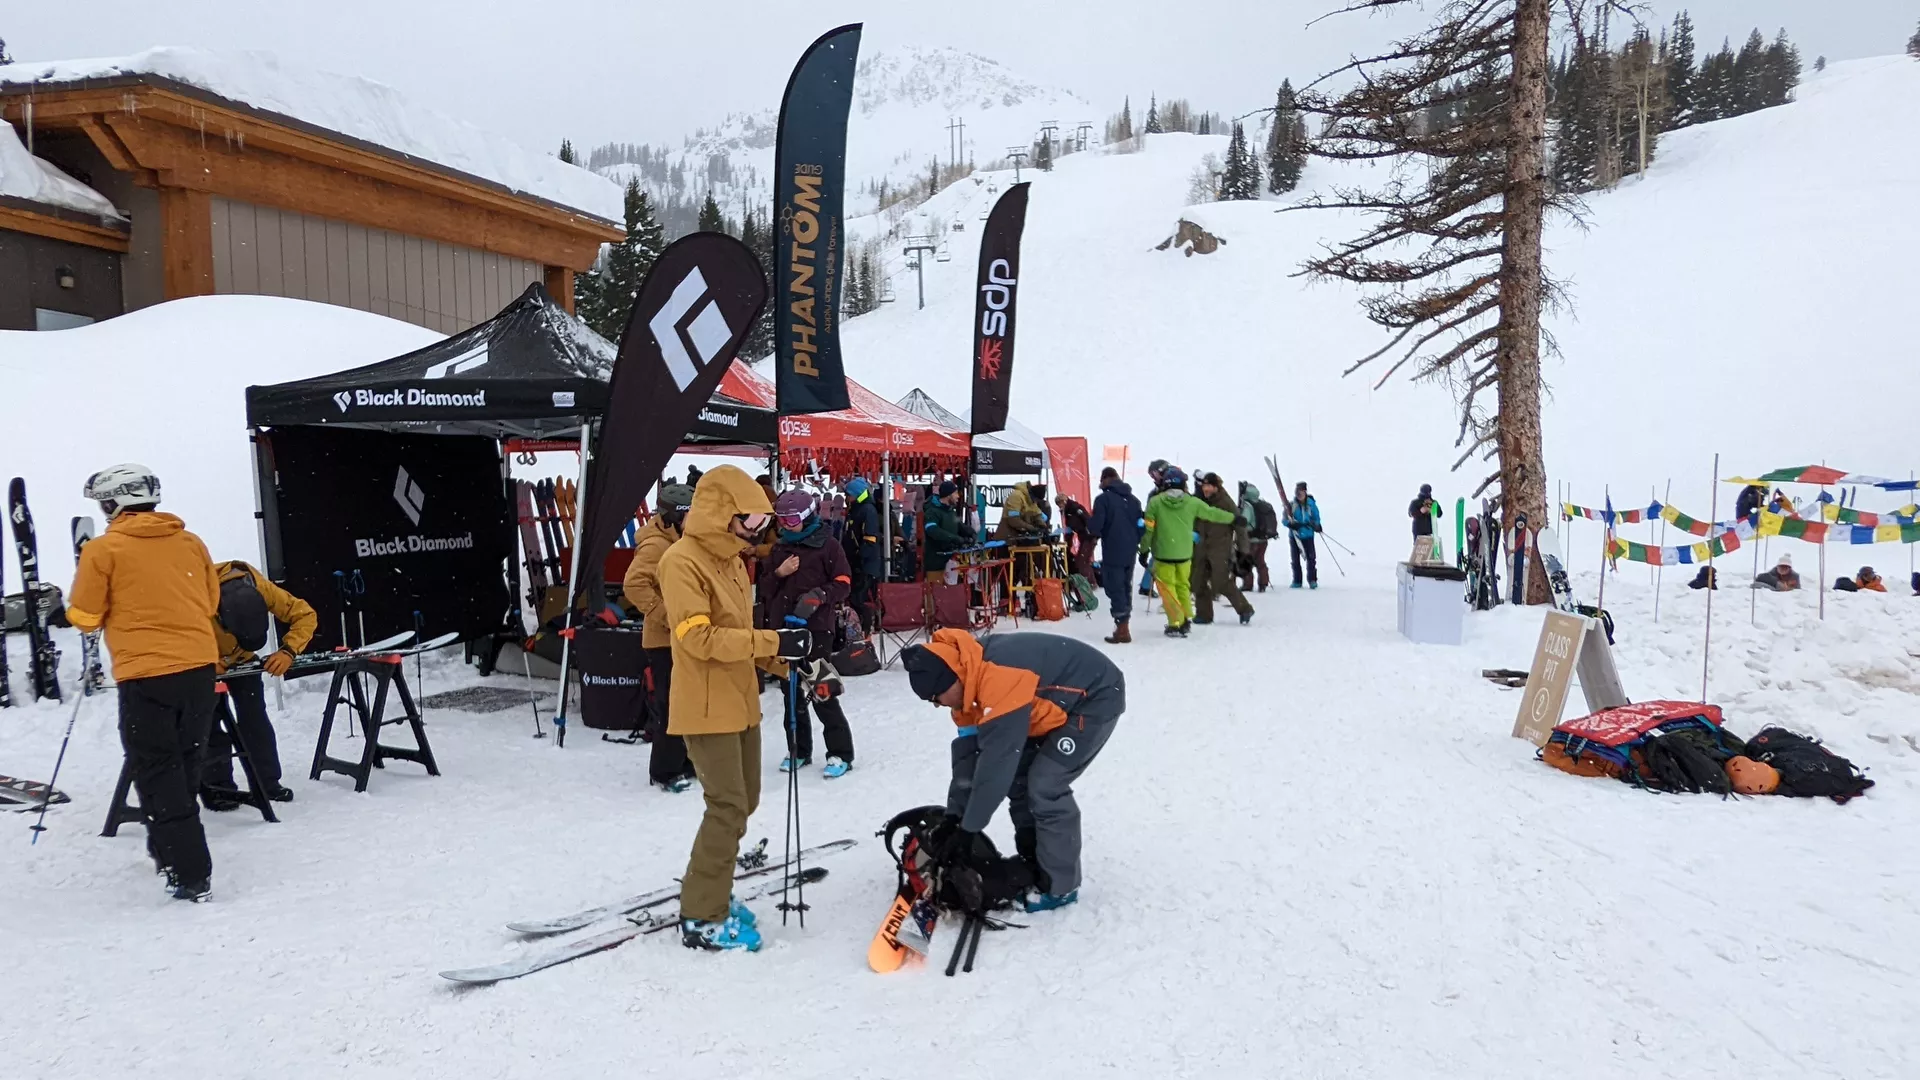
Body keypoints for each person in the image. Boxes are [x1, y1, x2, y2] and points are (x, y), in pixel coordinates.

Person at [658, 465, 815, 951]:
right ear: (719, 511)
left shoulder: (730, 561)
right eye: (748, 518)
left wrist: (794, 663)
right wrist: (773, 638)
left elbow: (742, 638)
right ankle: (702, 914)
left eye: (759, 520)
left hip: (741, 701)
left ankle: (715, 892)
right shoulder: (681, 561)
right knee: (726, 807)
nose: (755, 528)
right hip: (706, 707)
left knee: (744, 803)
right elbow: (700, 638)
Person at [65, 464, 220, 902]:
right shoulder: (190, 542)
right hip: (198, 667)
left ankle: (189, 872)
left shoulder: (103, 550)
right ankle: (166, 848)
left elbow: (87, 615)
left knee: (156, 767)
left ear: (116, 501)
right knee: (187, 759)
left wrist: (81, 610)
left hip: (146, 672)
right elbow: (208, 601)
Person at [900, 629, 1124, 913]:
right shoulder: (966, 684)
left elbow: (995, 766)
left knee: (1045, 785)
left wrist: (969, 831)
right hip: (1043, 705)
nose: (936, 704)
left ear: (952, 679)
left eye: (936, 696)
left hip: (1095, 696)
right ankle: (1035, 857)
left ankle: (1061, 886)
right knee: (1020, 779)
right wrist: (954, 818)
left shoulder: (996, 680)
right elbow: (969, 761)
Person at [202, 560, 316, 809]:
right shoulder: (193, 596)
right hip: (205, 664)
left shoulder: (261, 588)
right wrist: (204, 658)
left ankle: (267, 782)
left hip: (244, 661)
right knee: (209, 724)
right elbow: (169, 635)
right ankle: (219, 788)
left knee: (254, 719)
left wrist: (288, 651)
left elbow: (305, 615)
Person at [760, 489, 856, 777]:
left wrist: (819, 595)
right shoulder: (779, 549)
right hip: (785, 628)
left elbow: (844, 582)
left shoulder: (828, 545)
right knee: (791, 693)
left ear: (806, 516)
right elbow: (764, 589)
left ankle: (840, 753)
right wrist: (779, 574)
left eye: (791, 520)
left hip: (816, 629)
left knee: (820, 689)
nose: (786, 526)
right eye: (781, 520)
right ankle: (799, 749)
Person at [622, 482, 698, 793]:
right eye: (687, 515)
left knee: (688, 703)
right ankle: (664, 770)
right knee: (671, 706)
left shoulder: (679, 538)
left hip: (684, 636)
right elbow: (634, 584)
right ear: (671, 517)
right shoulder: (656, 545)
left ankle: (684, 760)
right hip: (664, 641)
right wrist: (667, 614)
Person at [1138, 467, 1239, 637]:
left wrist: (1144, 549)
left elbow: (1149, 530)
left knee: (1167, 589)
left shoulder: (1155, 502)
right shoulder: (1192, 502)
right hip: (1185, 554)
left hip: (1163, 554)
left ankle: (1175, 622)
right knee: (1183, 586)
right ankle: (1185, 618)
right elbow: (1211, 513)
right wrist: (1234, 518)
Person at [1088, 467, 1144, 644]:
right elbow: (1142, 525)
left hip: (1112, 549)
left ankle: (1122, 629)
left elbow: (1096, 527)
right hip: (1130, 550)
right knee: (1126, 586)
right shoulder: (1134, 500)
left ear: (1105, 479)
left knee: (1115, 586)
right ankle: (1124, 623)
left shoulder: (1103, 500)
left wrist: (1089, 524)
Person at [1193, 473, 1254, 625]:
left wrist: (1244, 550)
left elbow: (1240, 527)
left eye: (1209, 486)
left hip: (1219, 549)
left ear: (1216, 487)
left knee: (1221, 582)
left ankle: (1245, 609)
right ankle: (1204, 614)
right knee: (1197, 580)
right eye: (1204, 486)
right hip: (1200, 548)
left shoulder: (1226, 502)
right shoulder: (1199, 501)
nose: (1206, 489)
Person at [842, 477, 883, 632]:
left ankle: (864, 630)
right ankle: (858, 627)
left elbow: (870, 538)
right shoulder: (856, 509)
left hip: (864, 565)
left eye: (848, 494)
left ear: (856, 494)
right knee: (855, 598)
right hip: (856, 562)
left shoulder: (867, 510)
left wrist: (860, 559)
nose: (846, 498)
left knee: (859, 599)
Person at [1137, 460, 1172, 599]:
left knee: (1158, 556)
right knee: (1159, 556)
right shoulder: (1158, 490)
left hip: (1166, 525)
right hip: (1163, 527)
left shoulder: (1166, 488)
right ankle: (1147, 585)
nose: (1153, 478)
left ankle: (1146, 585)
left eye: (1154, 474)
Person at [923, 480, 969, 582]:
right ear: (948, 495)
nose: (958, 496)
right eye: (955, 493)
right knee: (935, 595)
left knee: (950, 595)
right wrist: (954, 538)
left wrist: (970, 533)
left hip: (951, 562)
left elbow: (959, 524)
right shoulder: (932, 511)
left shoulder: (951, 511)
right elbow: (932, 530)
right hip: (936, 563)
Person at [1236, 481, 1273, 593]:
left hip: (1251, 539)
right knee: (1260, 561)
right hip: (1263, 538)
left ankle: (1248, 584)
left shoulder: (1247, 505)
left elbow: (1244, 520)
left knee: (1246, 561)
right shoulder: (1261, 504)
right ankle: (1263, 583)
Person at [1287, 481, 1324, 590]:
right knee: (1295, 559)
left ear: (1305, 492)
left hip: (1308, 535)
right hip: (1295, 537)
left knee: (1311, 558)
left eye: (1301, 492)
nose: (1299, 494)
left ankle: (1312, 580)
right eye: (1297, 492)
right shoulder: (1291, 505)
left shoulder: (1311, 504)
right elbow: (1285, 519)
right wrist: (1291, 524)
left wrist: (1317, 525)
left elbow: (1316, 517)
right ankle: (1297, 581)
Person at [1055, 493, 1095, 581]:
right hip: (1085, 537)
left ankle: (1089, 583)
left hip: (1088, 537)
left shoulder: (1075, 509)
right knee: (1082, 560)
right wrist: (1067, 545)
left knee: (1082, 561)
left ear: (1063, 501)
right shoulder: (1068, 511)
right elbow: (1070, 529)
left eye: (1059, 504)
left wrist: (1091, 534)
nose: (1059, 507)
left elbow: (1086, 519)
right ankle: (1090, 582)